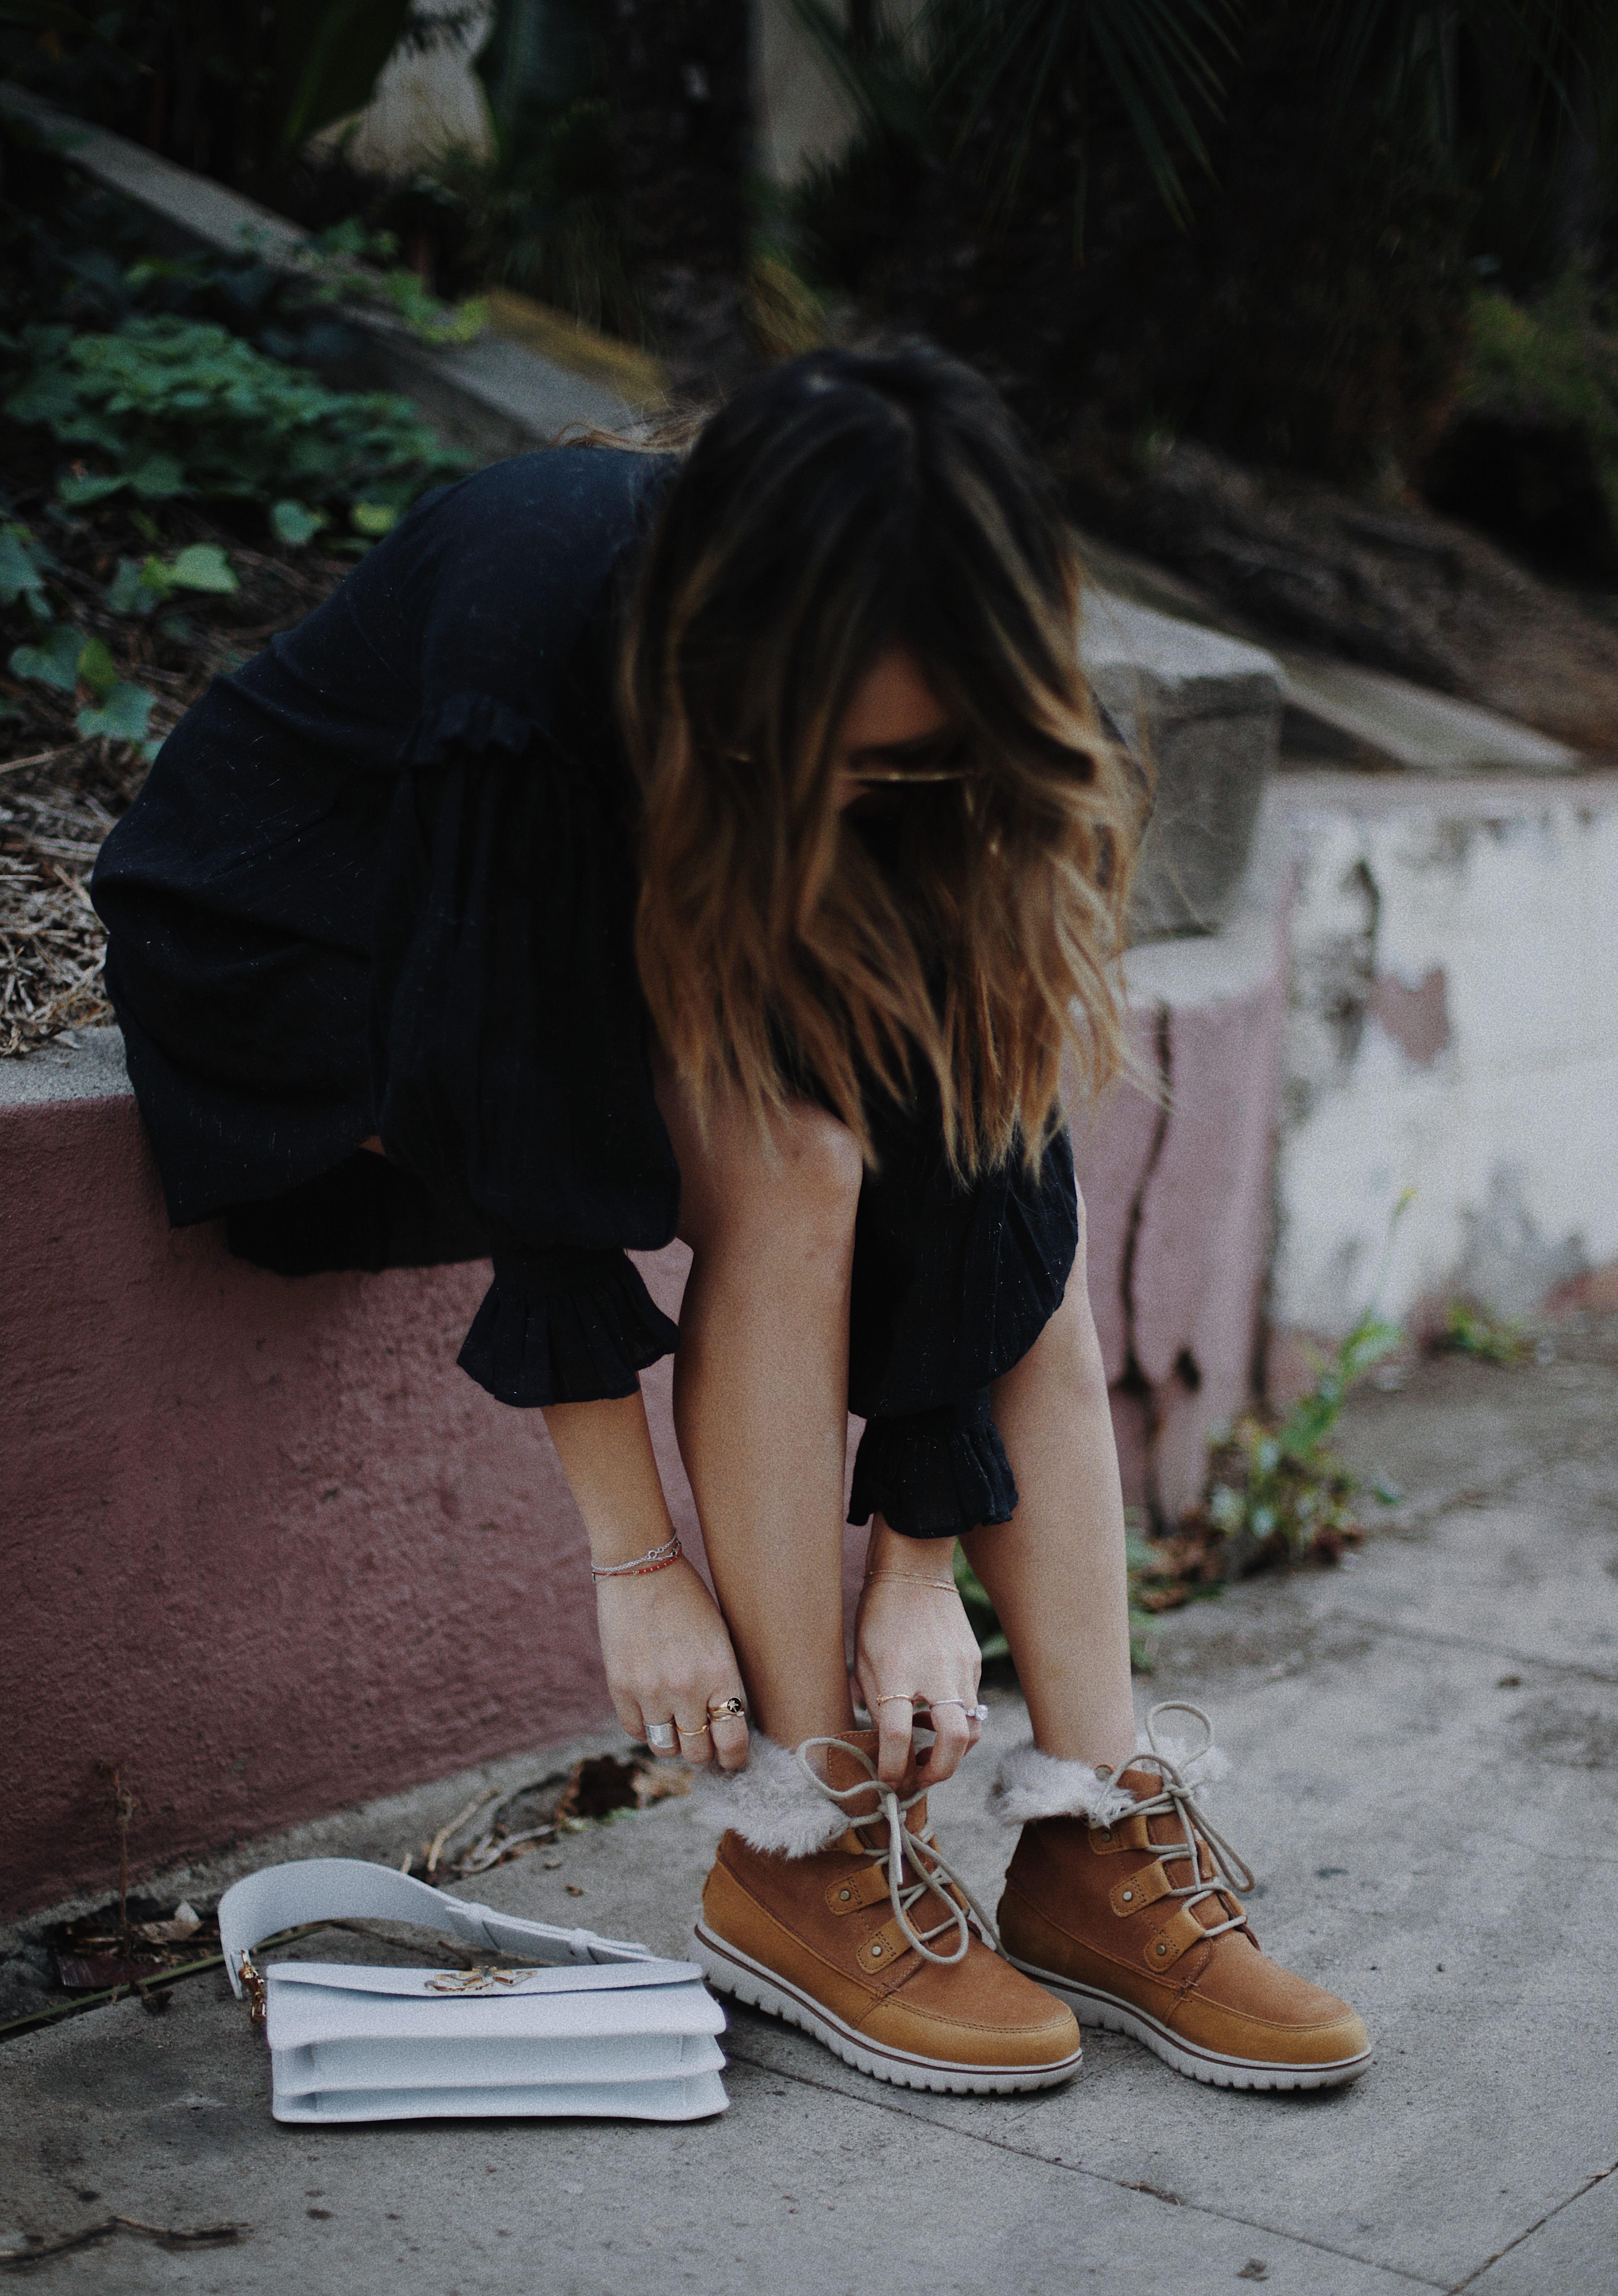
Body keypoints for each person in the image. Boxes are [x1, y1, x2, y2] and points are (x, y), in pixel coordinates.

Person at [92, 345, 1369, 2097]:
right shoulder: (539, 618)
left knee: (1007, 1204)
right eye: (840, 755)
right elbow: (503, 1095)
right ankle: (800, 1844)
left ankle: (1094, 1829)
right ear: (740, 655)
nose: (875, 795)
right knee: (793, 1159)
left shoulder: (945, 721)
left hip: (634, 918)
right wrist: (637, 1567)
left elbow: (982, 1160)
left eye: (918, 767)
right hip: (309, 956)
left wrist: (919, 1562)